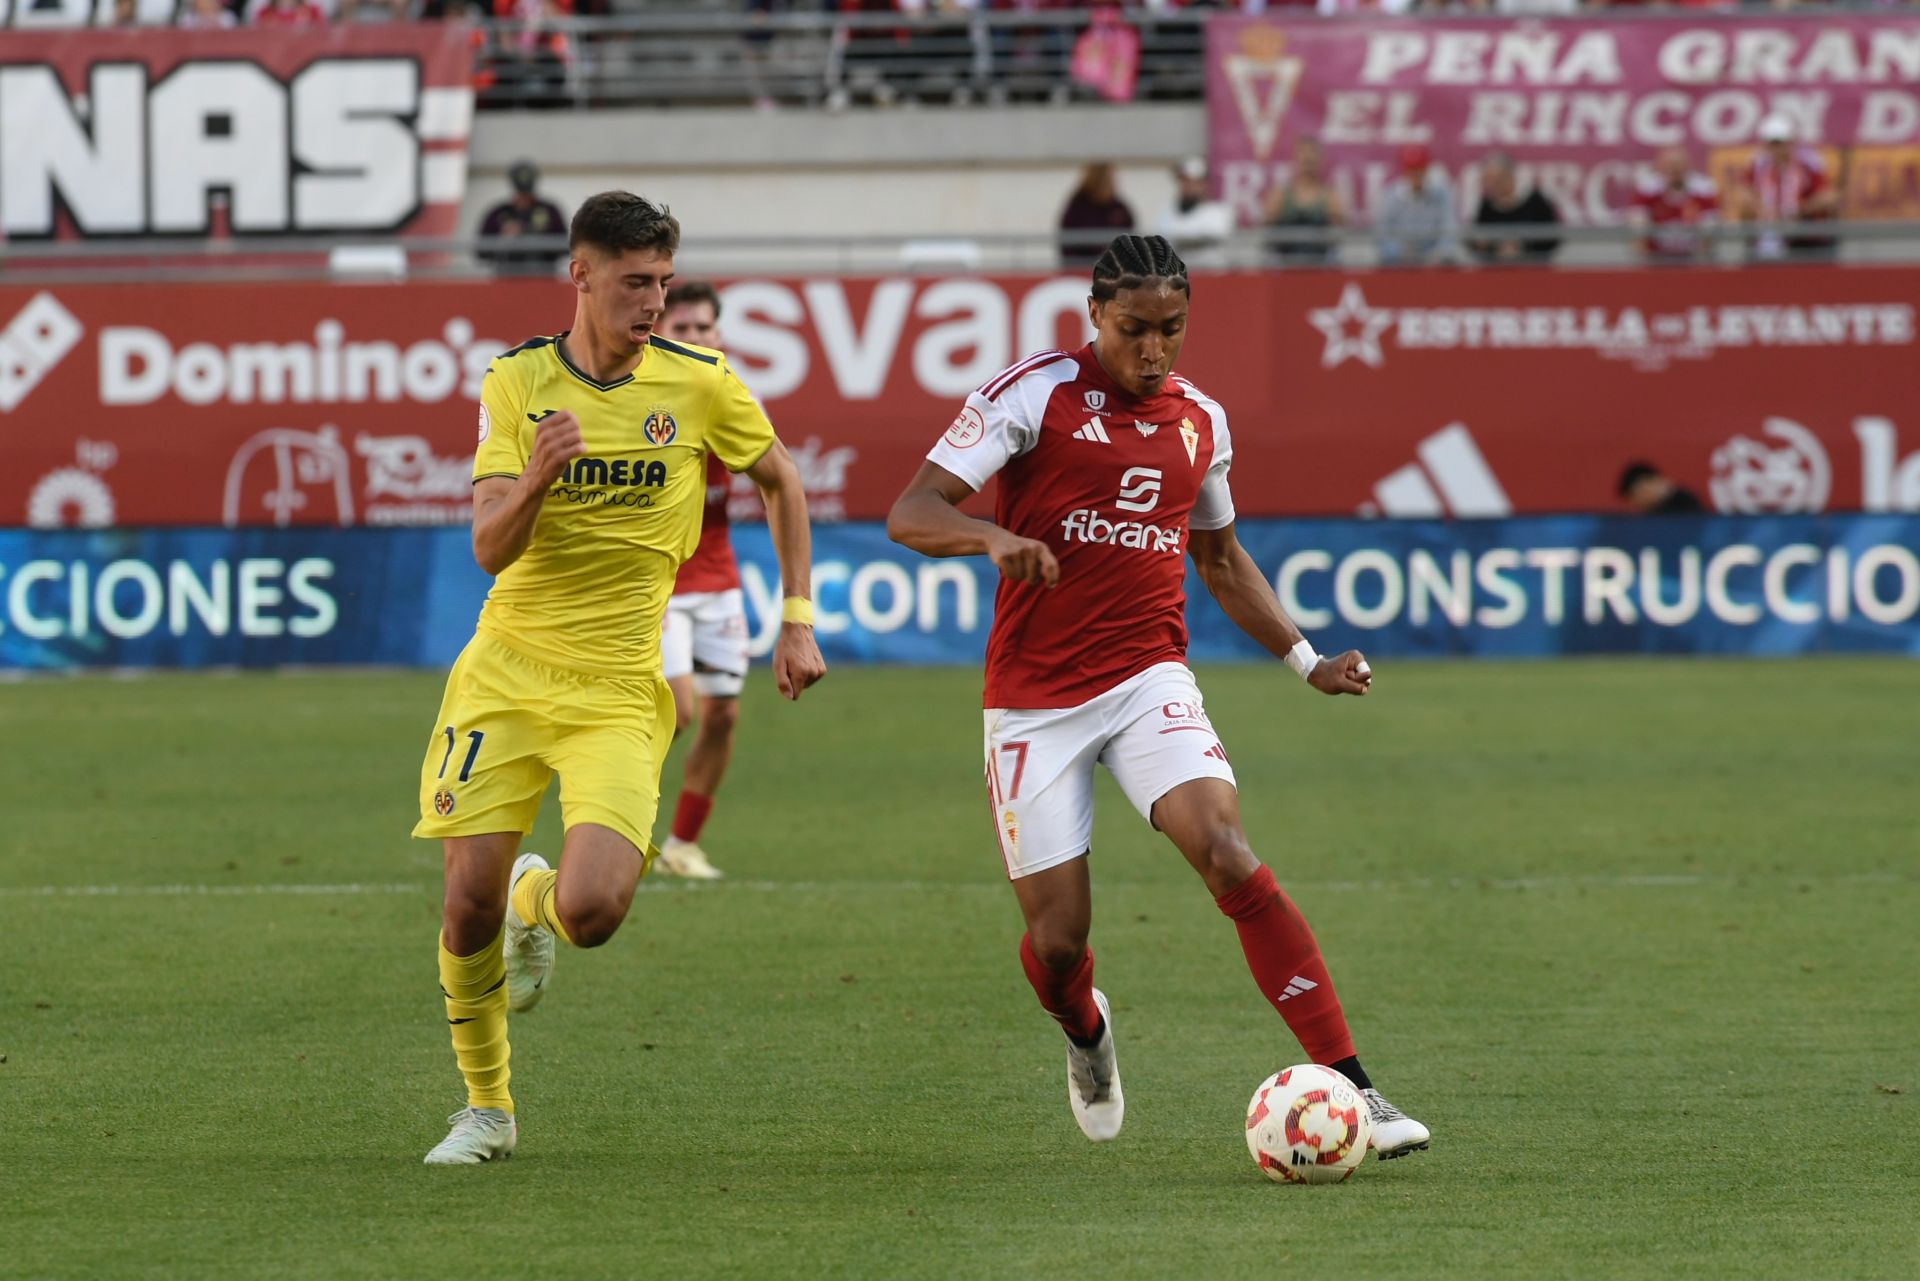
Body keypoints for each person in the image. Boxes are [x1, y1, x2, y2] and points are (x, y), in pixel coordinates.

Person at [885, 233, 1430, 1157]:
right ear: (1094, 314)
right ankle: (1084, 1030)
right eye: (1134, 329)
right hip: (1033, 701)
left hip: (1147, 678)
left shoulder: (1201, 420)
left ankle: (1355, 1084)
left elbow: (1217, 558)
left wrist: (1306, 660)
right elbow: (911, 510)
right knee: (1058, 945)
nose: (1152, 350)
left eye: (1170, 331)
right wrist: (989, 540)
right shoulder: (1034, 392)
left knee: (1223, 847)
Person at [413, 192, 826, 1164]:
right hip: (506, 679)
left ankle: (536, 904)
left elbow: (782, 480)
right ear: (582, 276)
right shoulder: (516, 383)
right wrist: (538, 479)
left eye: (662, 282)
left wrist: (796, 621)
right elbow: (486, 547)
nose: (651, 301)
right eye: (634, 282)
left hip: (616, 690)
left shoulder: (701, 383)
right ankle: (487, 1110)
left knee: (593, 912)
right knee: (462, 903)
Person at [653, 281, 751, 880]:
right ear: (659, 335)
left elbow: (775, 475)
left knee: (723, 715)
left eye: (702, 329)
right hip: (659, 582)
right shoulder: (644, 403)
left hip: (718, 578)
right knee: (678, 710)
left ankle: (682, 845)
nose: (693, 338)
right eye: (680, 329)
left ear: (719, 337)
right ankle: (615, 824)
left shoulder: (729, 400)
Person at [1734, 114, 1839, 263]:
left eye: (1780, 143)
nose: (1776, 149)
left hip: (1803, 235)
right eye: (1772, 143)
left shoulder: (1807, 162)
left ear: (1790, 142)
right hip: (1768, 231)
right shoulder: (1757, 163)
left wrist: (1800, 211)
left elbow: (1829, 196)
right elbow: (1743, 194)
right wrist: (1763, 210)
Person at [1262, 136, 1344, 266]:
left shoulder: (1329, 196)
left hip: (1319, 263)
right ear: (1295, 160)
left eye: (1311, 160)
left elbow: (1339, 231)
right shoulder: (1280, 195)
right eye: (1305, 160)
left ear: (1320, 161)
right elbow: (1266, 228)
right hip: (1285, 264)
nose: (1308, 165)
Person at [477, 161, 569, 276]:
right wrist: (502, 237)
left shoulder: (549, 211)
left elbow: (564, 246)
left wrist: (535, 237)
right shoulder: (498, 213)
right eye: (521, 195)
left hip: (543, 279)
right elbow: (480, 251)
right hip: (506, 279)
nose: (524, 199)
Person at [1630, 147, 1719, 264]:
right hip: (1656, 258)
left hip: (1692, 258)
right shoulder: (1646, 189)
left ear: (1688, 166)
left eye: (1679, 165)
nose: (1675, 169)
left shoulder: (1704, 189)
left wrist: (1700, 266)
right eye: (1669, 165)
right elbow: (1637, 229)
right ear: (1659, 167)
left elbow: (1709, 233)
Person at [1469, 152, 1561, 265]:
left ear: (1510, 176)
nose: (1491, 185)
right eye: (1488, 181)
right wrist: (1490, 245)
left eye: (1496, 180)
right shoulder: (1486, 205)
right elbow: (1475, 239)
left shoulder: (1536, 201)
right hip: (1496, 271)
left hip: (1532, 270)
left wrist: (1521, 246)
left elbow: (1553, 238)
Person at [1375, 144, 1458, 266]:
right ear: (1404, 171)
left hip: (1435, 260)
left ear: (1426, 170)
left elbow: (1449, 227)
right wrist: (1399, 252)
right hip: (1400, 261)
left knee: (1453, 260)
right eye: (1411, 172)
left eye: (1419, 171)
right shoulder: (1392, 195)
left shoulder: (1441, 192)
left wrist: (1439, 253)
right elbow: (1383, 234)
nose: (1415, 177)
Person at [1154, 157, 1236, 272]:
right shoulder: (1167, 213)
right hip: (1178, 281)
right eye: (1182, 181)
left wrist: (1183, 241)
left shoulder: (1219, 212)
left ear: (1203, 184)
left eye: (1190, 181)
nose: (1185, 186)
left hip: (1212, 279)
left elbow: (1214, 237)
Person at [1058, 163, 1134, 267]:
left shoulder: (1118, 207)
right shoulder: (1078, 206)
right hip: (1083, 268)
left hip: (1116, 269)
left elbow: (1131, 235)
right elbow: (1067, 243)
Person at [1617, 461, 1705, 515]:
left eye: (1638, 493)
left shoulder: (1685, 503)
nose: (1636, 503)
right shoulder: (1646, 519)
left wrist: (1671, 495)